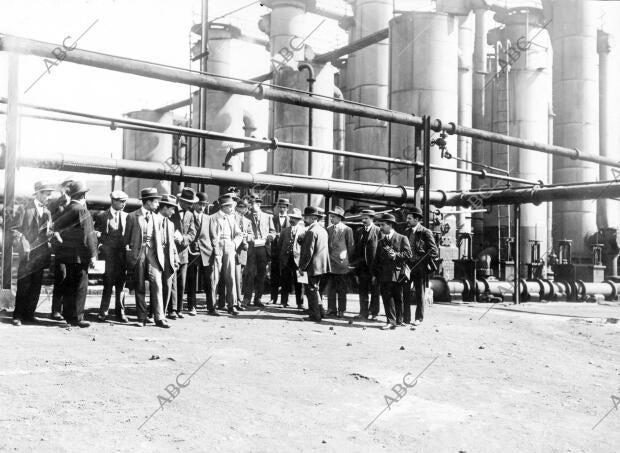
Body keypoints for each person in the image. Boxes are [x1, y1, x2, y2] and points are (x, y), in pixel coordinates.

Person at [53, 181, 98, 328]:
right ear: (83, 195)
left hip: (66, 255)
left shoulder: (67, 209)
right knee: (80, 286)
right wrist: (93, 254)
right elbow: (88, 234)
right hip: (80, 256)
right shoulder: (82, 210)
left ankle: (68, 316)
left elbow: (56, 229)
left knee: (69, 285)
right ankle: (78, 318)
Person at [124, 187, 170, 328]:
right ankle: (141, 318)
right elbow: (126, 238)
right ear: (148, 202)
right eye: (155, 202)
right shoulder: (132, 216)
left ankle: (159, 317)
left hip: (153, 255)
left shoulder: (157, 218)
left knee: (157, 284)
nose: (157, 205)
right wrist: (129, 254)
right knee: (140, 286)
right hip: (138, 254)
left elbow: (160, 238)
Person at [11, 181, 55, 326]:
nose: (49, 197)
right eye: (47, 194)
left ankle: (29, 315)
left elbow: (48, 231)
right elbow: (14, 229)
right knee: (24, 285)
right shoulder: (24, 209)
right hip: (27, 253)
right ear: (39, 194)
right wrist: (22, 242)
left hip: (41, 254)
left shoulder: (47, 212)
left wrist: (51, 234)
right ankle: (17, 316)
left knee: (36, 285)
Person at [372, 213, 411, 330]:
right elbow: (377, 260)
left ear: (390, 225)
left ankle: (399, 320)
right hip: (384, 275)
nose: (381, 227)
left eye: (383, 225)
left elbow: (408, 254)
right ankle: (391, 321)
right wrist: (375, 275)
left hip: (398, 274)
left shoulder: (402, 238)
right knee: (387, 298)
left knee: (398, 297)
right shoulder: (381, 242)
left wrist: (396, 255)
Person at [95, 190, 129, 323]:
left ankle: (120, 313)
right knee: (108, 284)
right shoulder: (102, 216)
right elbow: (96, 232)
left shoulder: (127, 217)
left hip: (122, 257)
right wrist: (100, 247)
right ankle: (103, 312)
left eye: (125, 202)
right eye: (121, 202)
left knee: (121, 285)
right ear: (113, 201)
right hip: (108, 256)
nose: (123, 204)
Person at [403, 206, 438, 326]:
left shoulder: (425, 232)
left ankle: (419, 318)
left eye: (409, 218)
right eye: (407, 218)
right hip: (408, 267)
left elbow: (434, 251)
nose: (407, 220)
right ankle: (406, 318)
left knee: (419, 293)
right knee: (405, 292)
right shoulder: (406, 232)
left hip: (419, 267)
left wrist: (422, 260)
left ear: (417, 219)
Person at [209, 194, 243, 316]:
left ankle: (232, 305)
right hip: (216, 247)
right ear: (223, 207)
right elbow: (209, 235)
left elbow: (240, 234)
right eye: (230, 206)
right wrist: (214, 247)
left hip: (229, 246)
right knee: (215, 277)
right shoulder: (212, 218)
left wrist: (234, 244)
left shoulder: (231, 218)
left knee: (231, 277)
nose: (232, 209)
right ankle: (212, 307)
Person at [168, 188, 197, 319]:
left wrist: (184, 239)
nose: (191, 205)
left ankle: (179, 309)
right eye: (188, 203)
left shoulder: (190, 214)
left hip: (184, 253)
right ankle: (172, 309)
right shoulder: (171, 211)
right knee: (172, 282)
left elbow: (193, 233)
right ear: (181, 201)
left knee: (181, 283)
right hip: (171, 252)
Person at [48, 176, 74, 321]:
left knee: (71, 278)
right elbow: (50, 222)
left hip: (74, 245)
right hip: (61, 245)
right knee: (61, 276)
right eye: (67, 186)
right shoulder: (55, 203)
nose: (68, 189)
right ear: (62, 188)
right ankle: (56, 310)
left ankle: (68, 310)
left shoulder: (79, 203)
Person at [298, 206, 330, 322]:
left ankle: (314, 315)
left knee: (311, 291)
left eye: (305, 218)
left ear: (312, 218)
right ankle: (321, 312)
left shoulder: (311, 231)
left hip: (311, 267)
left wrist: (301, 267)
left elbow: (308, 253)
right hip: (321, 266)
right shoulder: (322, 230)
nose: (304, 220)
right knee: (315, 290)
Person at [243, 195, 275, 308]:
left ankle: (258, 299)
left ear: (259, 204)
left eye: (254, 204)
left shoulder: (268, 217)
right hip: (251, 249)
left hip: (263, 249)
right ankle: (246, 298)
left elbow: (273, 232)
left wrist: (269, 237)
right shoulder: (246, 216)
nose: (252, 206)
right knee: (249, 274)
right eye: (250, 204)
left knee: (261, 275)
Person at [352, 209, 381, 321]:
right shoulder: (359, 231)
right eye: (362, 218)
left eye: (366, 218)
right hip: (362, 268)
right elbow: (356, 251)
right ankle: (363, 313)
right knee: (362, 291)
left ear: (372, 219)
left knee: (375, 291)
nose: (363, 220)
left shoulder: (378, 231)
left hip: (374, 267)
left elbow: (381, 250)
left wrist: (378, 269)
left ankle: (374, 313)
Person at [326, 206, 354, 318]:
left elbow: (351, 246)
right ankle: (331, 308)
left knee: (342, 288)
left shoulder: (347, 230)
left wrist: (348, 261)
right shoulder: (329, 229)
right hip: (331, 263)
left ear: (339, 218)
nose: (331, 219)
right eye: (331, 217)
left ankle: (341, 310)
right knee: (331, 288)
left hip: (342, 264)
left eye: (333, 217)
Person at [186, 192, 211, 316]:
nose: (202, 207)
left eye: (204, 204)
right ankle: (192, 306)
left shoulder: (208, 218)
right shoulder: (189, 215)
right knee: (191, 280)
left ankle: (211, 307)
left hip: (206, 251)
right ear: (194, 204)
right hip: (192, 251)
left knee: (209, 280)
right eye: (199, 204)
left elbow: (211, 235)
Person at [157, 195, 181, 315]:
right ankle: (152, 313)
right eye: (172, 209)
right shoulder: (153, 219)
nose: (173, 212)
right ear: (165, 208)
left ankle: (163, 313)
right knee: (155, 287)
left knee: (167, 286)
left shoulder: (171, 224)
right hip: (155, 259)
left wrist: (176, 258)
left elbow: (172, 244)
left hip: (168, 260)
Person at [278, 207, 305, 309]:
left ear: (299, 220)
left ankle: (300, 303)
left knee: (300, 282)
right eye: (291, 218)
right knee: (285, 281)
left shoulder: (304, 231)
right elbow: (280, 245)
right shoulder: (284, 231)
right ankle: (283, 302)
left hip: (299, 260)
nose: (292, 220)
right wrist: (281, 257)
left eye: (295, 218)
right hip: (286, 260)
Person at [270, 198, 290, 304]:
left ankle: (284, 301)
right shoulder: (273, 219)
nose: (282, 209)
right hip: (275, 252)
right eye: (280, 207)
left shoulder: (291, 220)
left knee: (286, 277)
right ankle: (273, 298)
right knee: (274, 275)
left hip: (287, 253)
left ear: (287, 208)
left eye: (284, 207)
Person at [234, 199, 253, 310]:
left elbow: (252, 236)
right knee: (231, 277)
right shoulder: (232, 218)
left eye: (244, 208)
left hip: (242, 252)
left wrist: (246, 236)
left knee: (240, 278)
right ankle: (231, 300)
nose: (242, 210)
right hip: (233, 249)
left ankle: (238, 300)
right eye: (240, 207)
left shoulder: (247, 221)